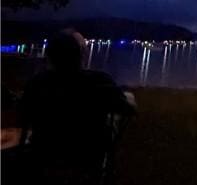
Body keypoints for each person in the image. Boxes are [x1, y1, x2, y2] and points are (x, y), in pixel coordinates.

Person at [20, 29, 135, 164]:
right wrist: (128, 97)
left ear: (49, 56)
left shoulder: (36, 83)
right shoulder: (100, 80)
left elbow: (24, 111)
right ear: (81, 55)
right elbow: (128, 109)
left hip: (43, 149)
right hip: (89, 152)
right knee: (120, 108)